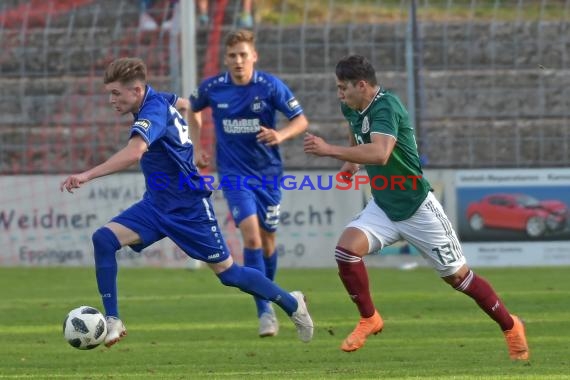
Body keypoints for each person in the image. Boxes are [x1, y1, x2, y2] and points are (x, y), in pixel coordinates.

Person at [60, 57, 313, 347]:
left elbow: (134, 153)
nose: (111, 100)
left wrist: (87, 174)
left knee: (230, 275)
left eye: (116, 93)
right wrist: (193, 145)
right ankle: (113, 318)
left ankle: (293, 304)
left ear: (137, 90)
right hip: (156, 205)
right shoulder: (158, 98)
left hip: (188, 208)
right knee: (104, 239)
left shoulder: (152, 110)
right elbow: (187, 104)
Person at [303, 54, 529, 360]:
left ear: (362, 85)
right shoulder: (352, 105)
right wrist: (351, 161)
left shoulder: (386, 106)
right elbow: (356, 132)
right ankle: (369, 318)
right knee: (346, 250)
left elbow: (382, 153)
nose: (339, 94)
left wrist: (329, 150)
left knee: (459, 278)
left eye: (343, 87)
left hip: (417, 207)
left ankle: (510, 326)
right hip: (384, 205)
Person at [166, 29, 309, 338]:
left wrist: (280, 135)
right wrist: (195, 144)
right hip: (233, 175)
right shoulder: (214, 87)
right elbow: (191, 108)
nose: (238, 61)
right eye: (232, 55)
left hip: (268, 174)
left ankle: (275, 298)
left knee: (269, 241)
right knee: (252, 238)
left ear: (253, 56)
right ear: (226, 59)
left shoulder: (270, 86)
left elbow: (301, 120)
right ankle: (265, 313)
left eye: (243, 55)